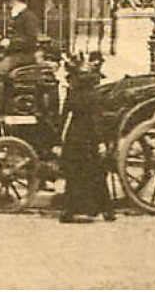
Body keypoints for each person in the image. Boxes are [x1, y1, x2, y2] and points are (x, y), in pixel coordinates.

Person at [59, 64, 115, 223]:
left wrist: (58, 140)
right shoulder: (94, 96)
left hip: (74, 137)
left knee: (73, 176)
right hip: (89, 139)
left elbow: (64, 117)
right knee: (96, 175)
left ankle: (70, 211)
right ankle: (107, 210)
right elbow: (96, 121)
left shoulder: (72, 95)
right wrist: (101, 142)